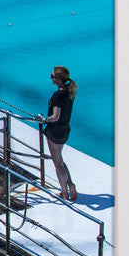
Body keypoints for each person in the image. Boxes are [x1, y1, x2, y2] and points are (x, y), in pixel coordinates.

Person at [34, 65, 78, 203]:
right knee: (60, 160)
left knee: (58, 163)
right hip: (65, 130)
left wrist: (43, 119)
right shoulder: (68, 93)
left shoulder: (58, 95)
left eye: (52, 76)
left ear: (58, 79)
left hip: (55, 132)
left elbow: (55, 116)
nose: (51, 78)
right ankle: (71, 185)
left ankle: (64, 193)